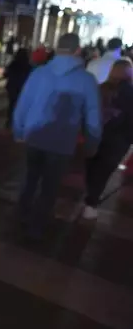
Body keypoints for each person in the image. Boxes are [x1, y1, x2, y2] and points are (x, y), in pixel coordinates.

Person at [12, 33, 102, 240]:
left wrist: (19, 130)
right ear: (77, 50)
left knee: (30, 178)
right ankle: (37, 226)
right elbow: (93, 117)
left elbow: (23, 104)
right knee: (50, 186)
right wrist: (92, 142)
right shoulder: (86, 80)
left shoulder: (39, 73)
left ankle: (22, 213)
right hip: (62, 141)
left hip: (34, 135)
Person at [83, 59, 133, 219]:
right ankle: (91, 203)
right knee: (103, 172)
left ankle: (90, 193)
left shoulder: (100, 89)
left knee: (92, 166)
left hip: (95, 135)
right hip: (119, 141)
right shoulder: (130, 94)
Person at [3, 48, 33, 129]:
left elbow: (5, 74)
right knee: (20, 105)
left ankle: (10, 121)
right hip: (22, 88)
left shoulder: (13, 64)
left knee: (12, 104)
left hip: (12, 87)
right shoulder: (28, 66)